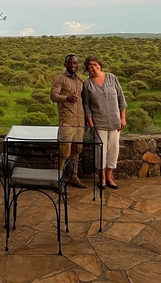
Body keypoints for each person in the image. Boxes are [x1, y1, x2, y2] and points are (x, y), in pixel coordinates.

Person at [82, 56, 126, 189]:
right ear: (87, 69)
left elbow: (121, 99)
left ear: (100, 65)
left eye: (95, 65)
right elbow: (87, 106)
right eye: (90, 66)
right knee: (100, 150)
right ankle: (101, 178)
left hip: (114, 121)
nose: (93, 68)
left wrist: (122, 118)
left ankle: (109, 177)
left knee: (114, 149)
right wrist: (91, 123)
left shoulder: (112, 78)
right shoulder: (87, 84)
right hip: (98, 122)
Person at [50, 54, 87, 188]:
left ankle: (73, 177)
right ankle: (56, 180)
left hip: (79, 123)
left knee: (76, 151)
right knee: (63, 153)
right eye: (70, 63)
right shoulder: (60, 79)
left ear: (78, 65)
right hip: (67, 122)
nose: (72, 66)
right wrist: (66, 98)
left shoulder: (80, 81)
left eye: (75, 63)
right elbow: (53, 96)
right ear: (65, 64)